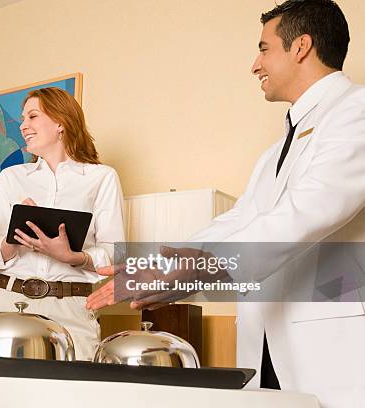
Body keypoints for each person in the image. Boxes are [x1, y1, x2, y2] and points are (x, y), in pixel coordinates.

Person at [87, 1, 365, 407]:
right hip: (268, 343)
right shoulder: (275, 151)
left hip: (326, 344)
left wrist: (194, 267)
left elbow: (308, 211)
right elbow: (240, 219)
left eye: (264, 48)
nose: (255, 64)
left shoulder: (356, 111)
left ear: (301, 47)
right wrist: (167, 264)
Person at [0, 87, 125, 360]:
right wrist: (13, 239)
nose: (23, 126)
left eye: (32, 117)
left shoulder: (102, 178)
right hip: (8, 302)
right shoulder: (11, 178)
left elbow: (115, 254)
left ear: (61, 122)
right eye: (23, 119)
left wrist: (74, 257)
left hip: (72, 310)